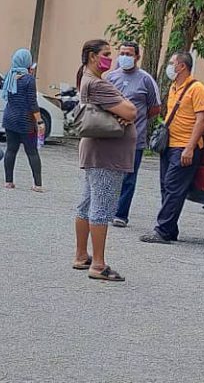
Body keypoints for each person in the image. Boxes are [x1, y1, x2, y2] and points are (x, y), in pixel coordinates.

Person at [73, 39, 138, 282]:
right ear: (91, 56)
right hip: (106, 155)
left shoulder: (87, 80)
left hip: (96, 151)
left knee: (86, 203)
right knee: (101, 208)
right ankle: (98, 265)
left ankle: (81, 255)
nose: (110, 59)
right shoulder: (98, 83)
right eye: (106, 54)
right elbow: (131, 111)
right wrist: (123, 113)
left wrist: (118, 112)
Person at [141, 51, 204, 244]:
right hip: (170, 145)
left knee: (173, 187)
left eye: (172, 63)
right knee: (166, 186)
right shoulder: (173, 87)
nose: (169, 67)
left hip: (185, 146)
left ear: (182, 66)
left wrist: (189, 148)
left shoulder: (197, 89)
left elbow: (201, 119)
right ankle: (170, 229)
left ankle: (162, 230)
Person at [106, 41, 161, 227]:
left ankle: (121, 214)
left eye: (129, 54)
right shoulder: (111, 77)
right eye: (122, 53)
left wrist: (138, 118)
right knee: (109, 173)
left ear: (137, 57)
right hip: (112, 136)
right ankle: (106, 209)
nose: (125, 57)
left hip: (134, 138)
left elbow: (155, 108)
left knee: (128, 177)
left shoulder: (146, 79)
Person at [1, 48, 45, 191]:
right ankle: (37, 184)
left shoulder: (10, 76)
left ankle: (8, 181)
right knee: (32, 151)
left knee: (11, 150)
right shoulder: (28, 79)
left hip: (9, 118)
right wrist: (39, 121)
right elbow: (32, 101)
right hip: (25, 120)